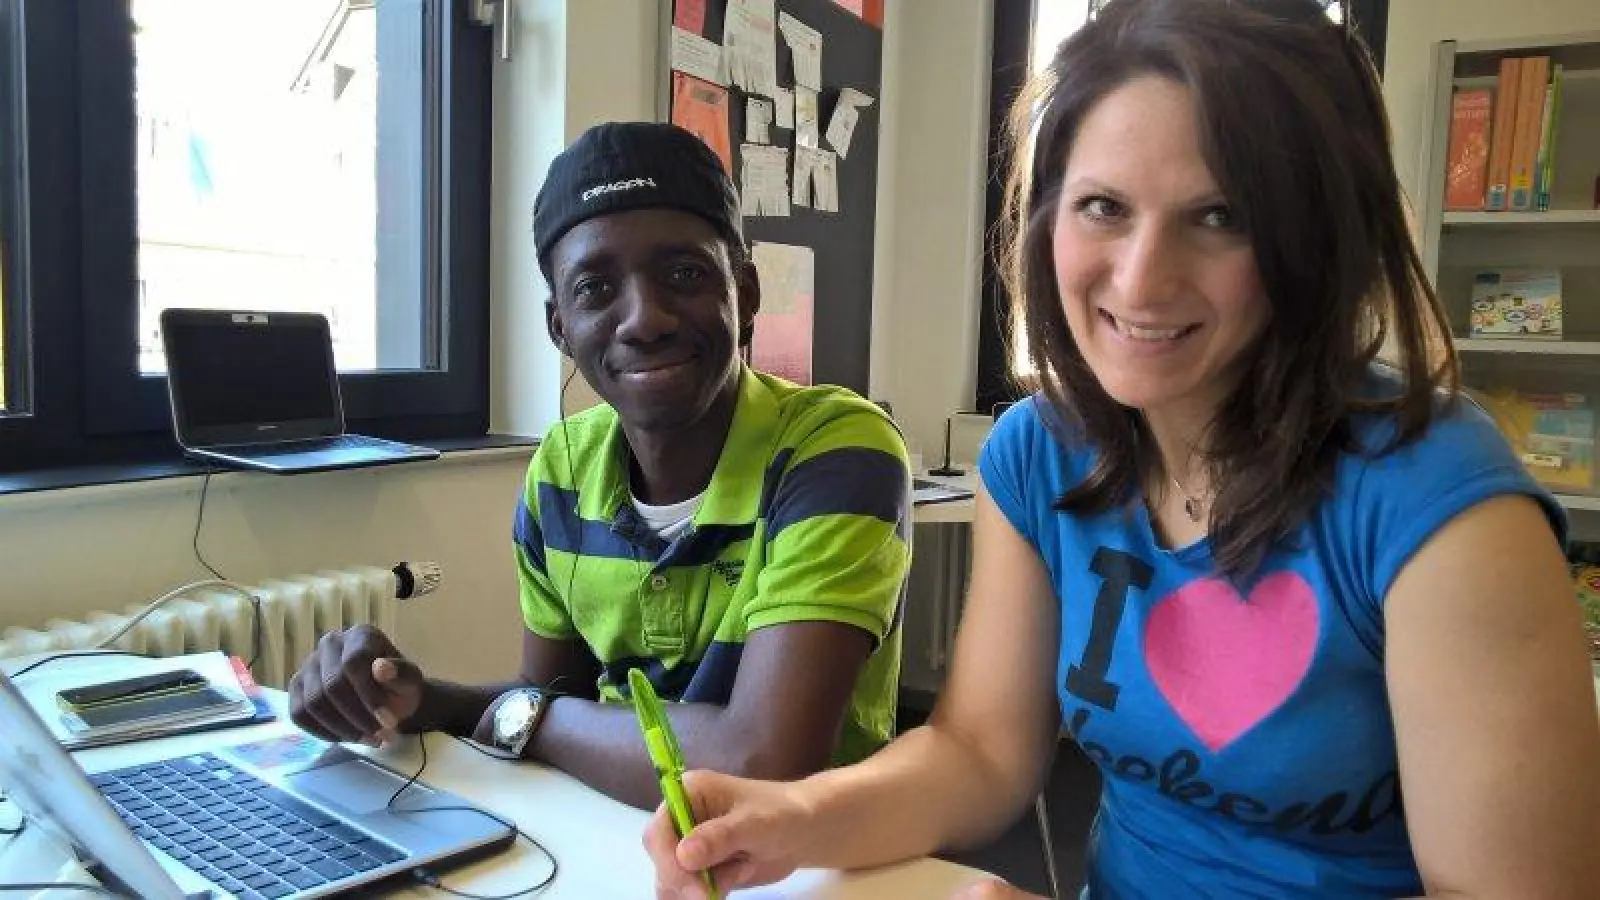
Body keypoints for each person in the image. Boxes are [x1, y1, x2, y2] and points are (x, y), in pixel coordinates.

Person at [645, 1, 1600, 897]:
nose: (1141, 282)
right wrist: (793, 817)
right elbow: (980, 751)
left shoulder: (1443, 505)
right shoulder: (1037, 454)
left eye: (1220, 217)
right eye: (1104, 207)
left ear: (1319, 240)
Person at [286, 122, 912, 810]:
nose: (644, 319)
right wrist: (417, 697)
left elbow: (763, 764)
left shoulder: (835, 448)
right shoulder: (562, 469)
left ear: (747, 292)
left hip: (814, 857)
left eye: (685, 273)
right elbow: (553, 697)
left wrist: (529, 719)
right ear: (559, 327)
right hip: (611, 835)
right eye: (594, 288)